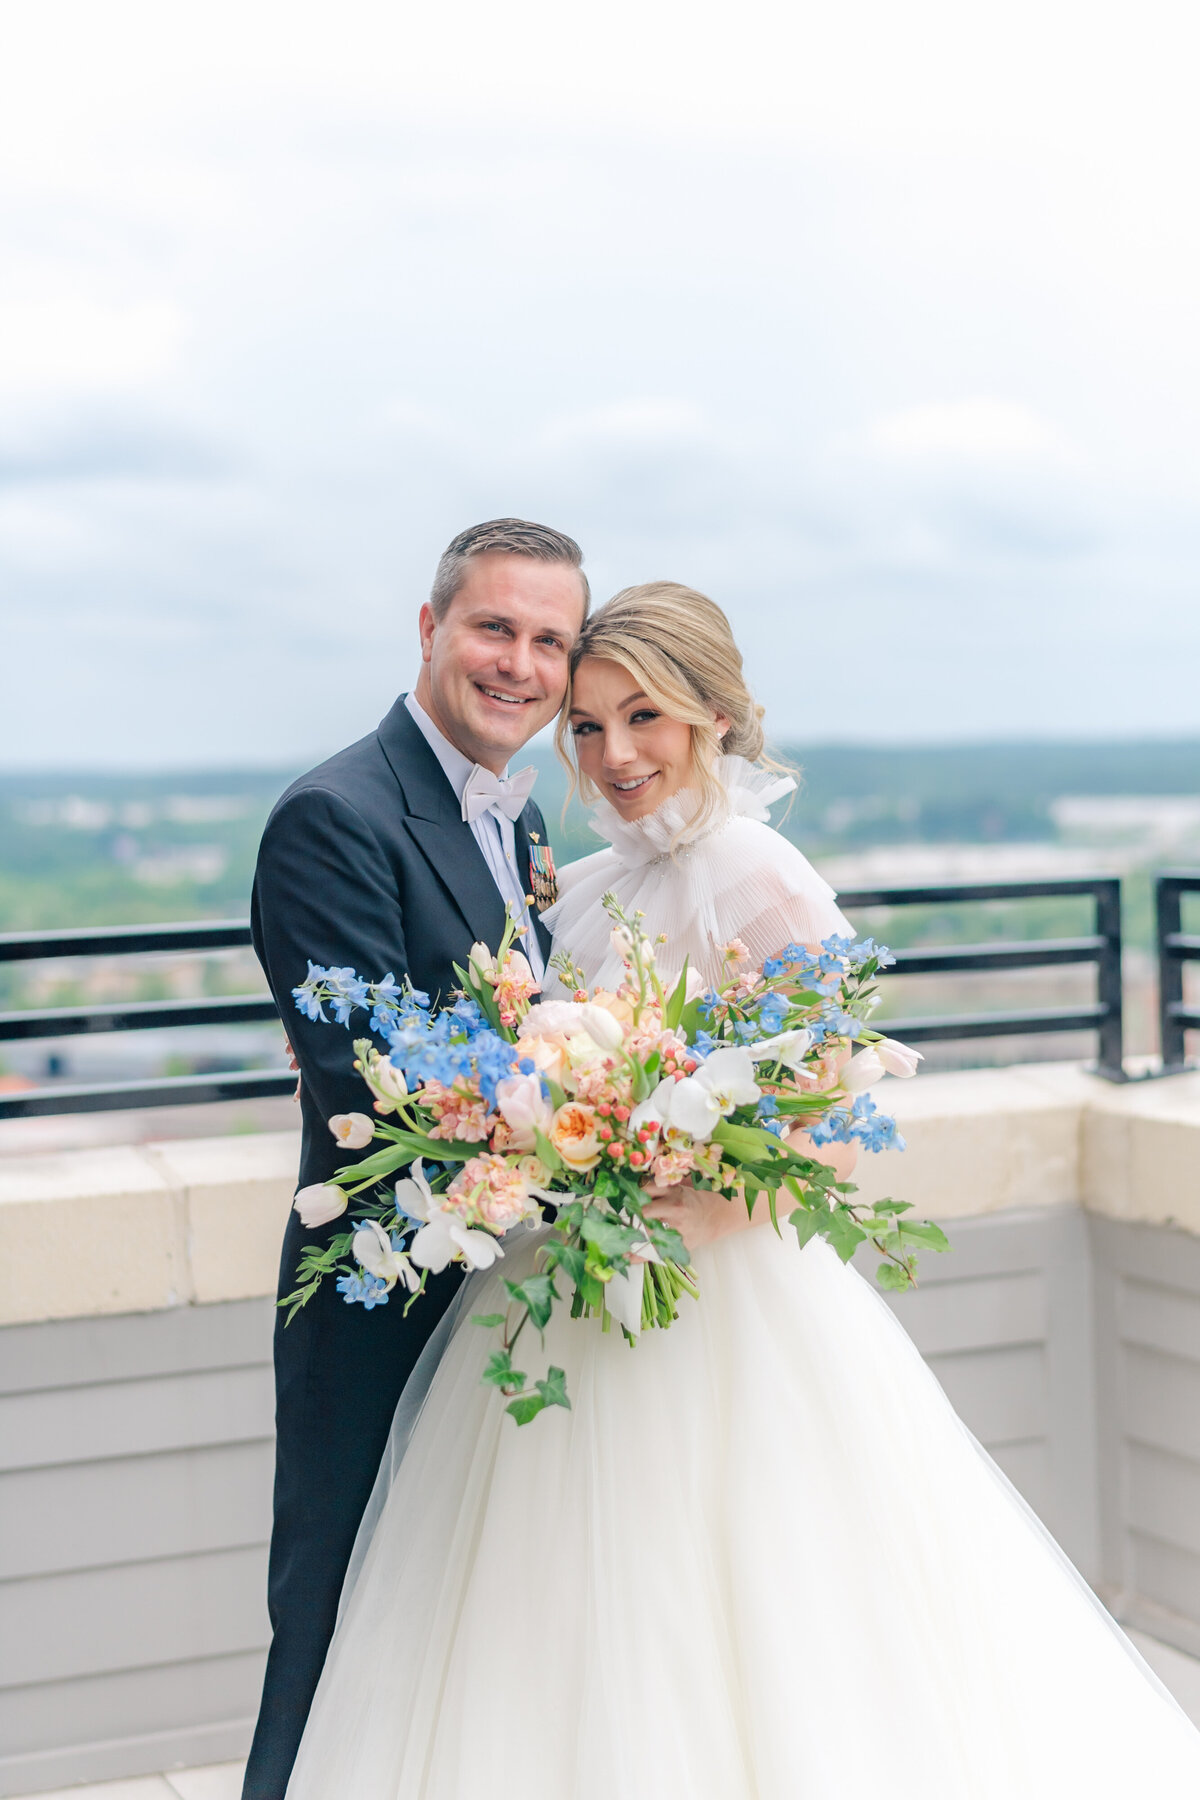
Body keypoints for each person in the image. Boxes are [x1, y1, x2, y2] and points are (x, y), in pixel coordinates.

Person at [283, 583, 1200, 1798]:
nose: (614, 755)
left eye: (645, 718)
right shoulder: (588, 886)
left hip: (724, 1309)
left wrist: (693, 1207)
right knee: (553, 1632)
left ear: (715, 718)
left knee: (761, 1621)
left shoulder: (758, 873)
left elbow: (836, 1125)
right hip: (567, 1289)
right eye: (592, 727)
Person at [243, 518, 590, 1800]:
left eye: (550, 641)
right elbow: (382, 1083)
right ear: (432, 627)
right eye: (496, 627)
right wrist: (612, 1122)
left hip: (512, 1288)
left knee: (475, 1657)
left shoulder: (524, 816)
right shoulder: (336, 816)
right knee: (336, 1639)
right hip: (385, 1298)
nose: (521, 664)